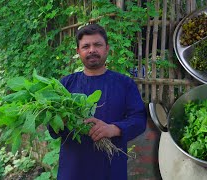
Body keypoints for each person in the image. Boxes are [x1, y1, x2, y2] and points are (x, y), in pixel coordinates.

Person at [49, 23, 147, 180]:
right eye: (86, 46)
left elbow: (139, 120)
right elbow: (53, 128)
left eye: (97, 45)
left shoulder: (125, 84)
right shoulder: (64, 86)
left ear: (107, 48)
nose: (92, 50)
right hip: (73, 170)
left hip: (110, 170)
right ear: (78, 51)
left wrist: (114, 129)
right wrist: (62, 120)